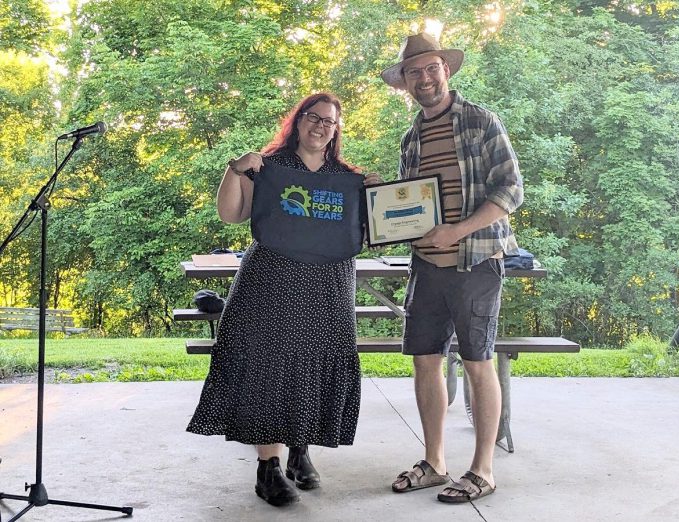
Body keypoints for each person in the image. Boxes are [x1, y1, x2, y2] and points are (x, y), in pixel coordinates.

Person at [187, 92, 381, 507]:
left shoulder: (350, 178)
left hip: (328, 284)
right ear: (298, 121)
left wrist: (380, 199)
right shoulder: (268, 168)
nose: (320, 126)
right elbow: (231, 214)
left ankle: (300, 450)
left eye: (329, 121)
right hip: (270, 279)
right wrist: (236, 169)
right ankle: (268, 467)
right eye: (313, 117)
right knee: (266, 366)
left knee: (314, 363)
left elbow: (373, 232)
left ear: (336, 130)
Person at [380, 33, 524, 503]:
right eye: (413, 73)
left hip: (476, 262)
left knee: (479, 363)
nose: (424, 79)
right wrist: (384, 205)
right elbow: (410, 207)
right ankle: (435, 462)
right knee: (426, 362)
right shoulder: (411, 138)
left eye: (430, 68)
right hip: (426, 267)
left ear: (446, 69)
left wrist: (455, 232)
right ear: (405, 83)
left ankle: (483, 470)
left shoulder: (482, 122)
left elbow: (510, 193)